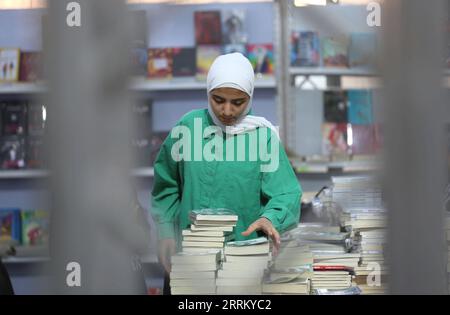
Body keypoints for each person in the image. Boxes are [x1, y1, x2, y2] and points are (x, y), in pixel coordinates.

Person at [150, 53, 302, 294]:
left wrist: (270, 218)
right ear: (207, 92)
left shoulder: (262, 137)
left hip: (241, 262)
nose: (227, 111)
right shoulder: (187, 128)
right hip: (190, 260)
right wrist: (166, 231)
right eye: (218, 99)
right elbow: (166, 186)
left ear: (250, 97)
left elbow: (286, 192)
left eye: (238, 102)